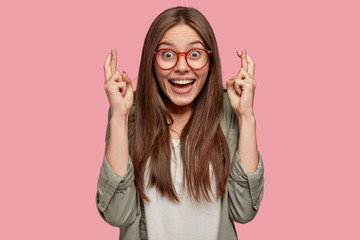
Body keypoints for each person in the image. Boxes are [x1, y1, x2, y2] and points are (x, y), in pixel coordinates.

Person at [96, 6, 264, 240]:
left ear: (210, 60)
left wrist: (246, 117)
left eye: (195, 54)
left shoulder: (229, 110)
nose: (182, 66)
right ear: (151, 61)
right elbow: (116, 214)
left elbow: (244, 210)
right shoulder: (128, 112)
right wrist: (119, 116)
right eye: (167, 54)